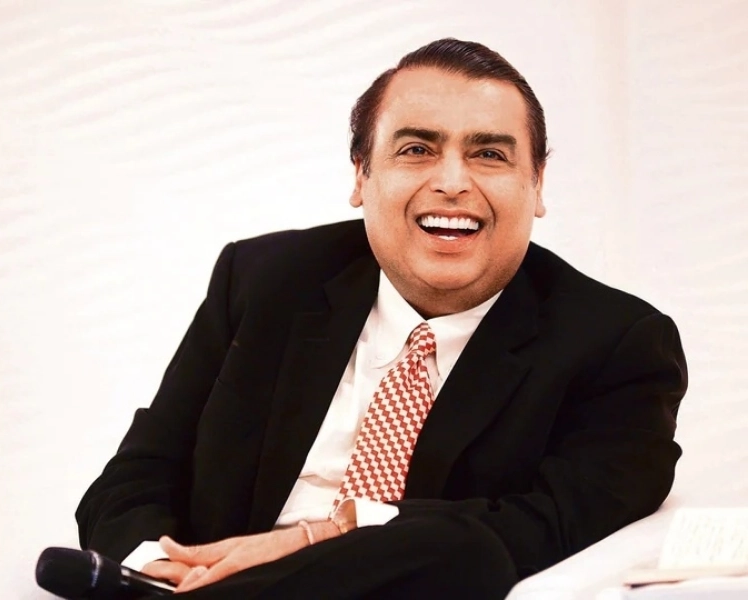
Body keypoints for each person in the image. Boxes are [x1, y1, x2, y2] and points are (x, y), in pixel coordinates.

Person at [76, 38, 687, 599]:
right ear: (361, 175)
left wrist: (324, 535)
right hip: (189, 584)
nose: (453, 183)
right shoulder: (263, 280)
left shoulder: (620, 346)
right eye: (417, 150)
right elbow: (137, 476)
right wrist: (159, 569)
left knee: (466, 552)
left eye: (489, 154)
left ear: (537, 184)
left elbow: (538, 528)